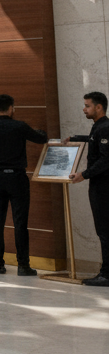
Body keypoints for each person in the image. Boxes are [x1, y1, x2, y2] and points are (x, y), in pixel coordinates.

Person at [0, 93, 48, 276]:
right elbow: (40, 138)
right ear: (11, 108)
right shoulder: (19, 126)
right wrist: (42, 132)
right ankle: (23, 266)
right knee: (20, 222)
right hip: (17, 178)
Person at [69, 90, 109, 287]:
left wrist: (83, 174)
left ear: (98, 107)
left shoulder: (105, 128)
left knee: (105, 231)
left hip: (104, 187)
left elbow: (106, 159)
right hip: (100, 185)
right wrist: (75, 138)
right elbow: (94, 139)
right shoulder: (99, 127)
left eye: (87, 106)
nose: (84, 109)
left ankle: (106, 274)